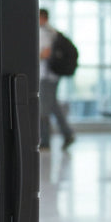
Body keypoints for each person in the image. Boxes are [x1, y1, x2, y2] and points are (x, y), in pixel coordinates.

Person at [39, 8, 75, 152]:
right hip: (52, 76)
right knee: (53, 106)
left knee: (44, 109)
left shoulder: (45, 32)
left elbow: (45, 54)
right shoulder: (53, 32)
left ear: (43, 18)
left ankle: (45, 141)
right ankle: (67, 134)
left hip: (47, 76)